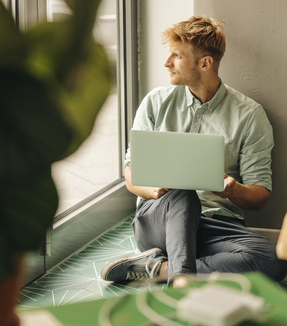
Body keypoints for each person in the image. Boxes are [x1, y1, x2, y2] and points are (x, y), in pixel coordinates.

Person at [100, 15, 287, 286]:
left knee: (273, 260)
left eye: (176, 56)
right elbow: (131, 171)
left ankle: (160, 268)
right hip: (159, 219)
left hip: (218, 224)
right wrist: (153, 190)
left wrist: (233, 189)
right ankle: (182, 282)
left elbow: (260, 196)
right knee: (184, 192)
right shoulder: (156, 102)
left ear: (205, 63)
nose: (167, 63)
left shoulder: (249, 116)